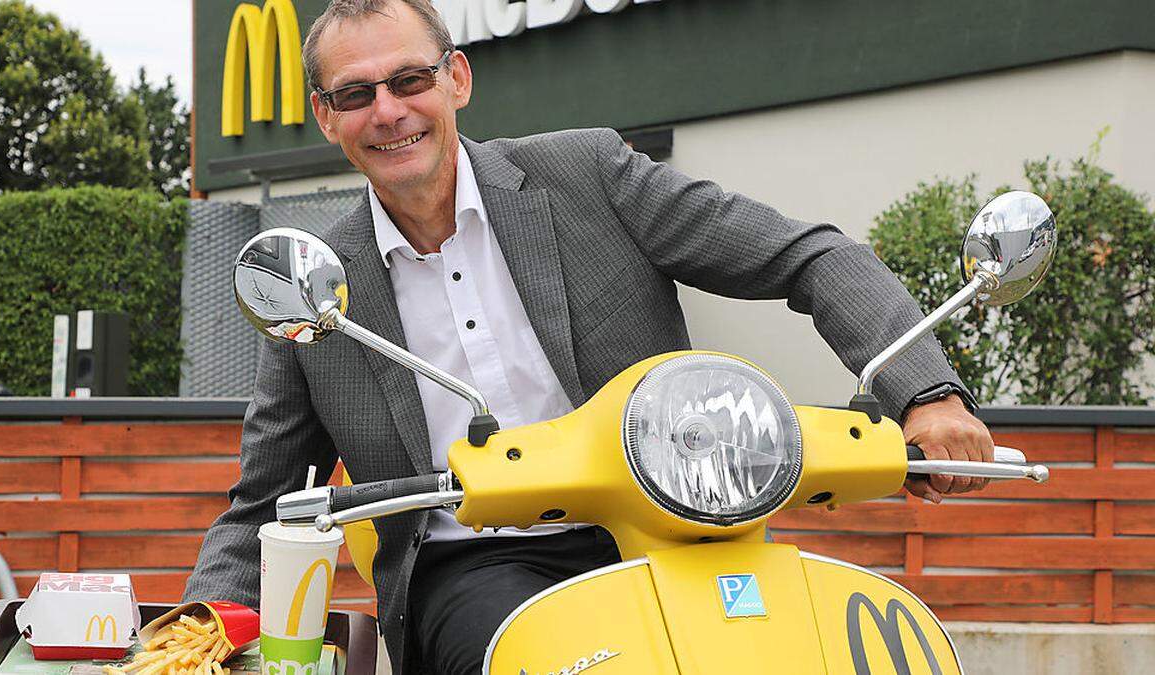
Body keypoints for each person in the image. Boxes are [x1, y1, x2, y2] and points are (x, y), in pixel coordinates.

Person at [184, 0, 994, 672]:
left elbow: (806, 254)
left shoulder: (591, 176)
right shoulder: (320, 283)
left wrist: (927, 392)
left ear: (456, 78)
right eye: (357, 94)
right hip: (478, 564)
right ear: (327, 118)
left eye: (409, 79)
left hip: (676, 530)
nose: (389, 111)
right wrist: (195, 636)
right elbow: (262, 500)